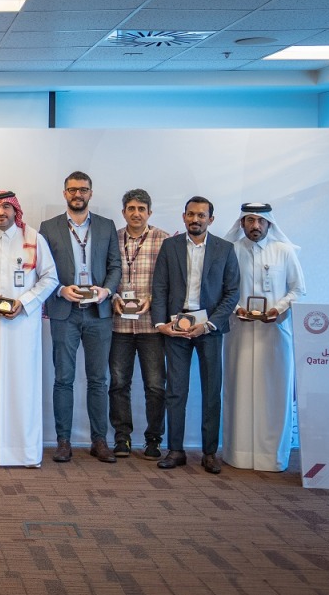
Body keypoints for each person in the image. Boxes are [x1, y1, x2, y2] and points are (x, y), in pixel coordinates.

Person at [0, 191, 59, 468]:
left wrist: (25, 302)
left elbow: (50, 278)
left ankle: (24, 453)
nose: (1, 212)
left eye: (6, 207)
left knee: (22, 387)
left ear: (16, 211)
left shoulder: (33, 239)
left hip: (23, 328)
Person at [151, 196, 240, 474]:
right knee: (176, 391)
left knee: (211, 391)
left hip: (209, 329)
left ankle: (210, 453)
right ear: (184, 217)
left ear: (210, 219)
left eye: (201, 215)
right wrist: (160, 323)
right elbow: (160, 287)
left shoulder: (225, 249)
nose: (195, 219)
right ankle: (175, 450)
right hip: (176, 327)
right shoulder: (170, 246)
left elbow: (232, 293)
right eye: (191, 214)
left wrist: (209, 324)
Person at [39, 171, 122, 463]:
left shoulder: (106, 226)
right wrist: (60, 290)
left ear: (91, 193)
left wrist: (106, 291)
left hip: (99, 313)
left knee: (98, 379)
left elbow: (115, 266)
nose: (78, 194)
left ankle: (99, 441)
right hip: (65, 312)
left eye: (83, 190)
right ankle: (63, 441)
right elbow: (42, 269)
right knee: (63, 379)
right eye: (73, 189)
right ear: (65, 193)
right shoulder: (48, 228)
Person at [222, 203, 305, 472]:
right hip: (240, 332)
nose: (255, 226)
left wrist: (277, 309)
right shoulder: (231, 250)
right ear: (242, 223)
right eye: (249, 220)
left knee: (274, 392)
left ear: (269, 224)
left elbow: (297, 289)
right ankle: (238, 454)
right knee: (239, 389)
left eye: (260, 221)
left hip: (275, 333)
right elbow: (223, 288)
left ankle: (272, 456)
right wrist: (237, 309)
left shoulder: (284, 251)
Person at [109, 189, 170, 460]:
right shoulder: (112, 239)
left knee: (155, 386)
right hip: (119, 325)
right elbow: (105, 274)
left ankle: (153, 440)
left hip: (151, 326)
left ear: (149, 213)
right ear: (123, 212)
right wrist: (113, 297)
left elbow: (170, 280)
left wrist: (153, 300)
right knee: (118, 383)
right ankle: (122, 438)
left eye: (141, 209)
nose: (136, 213)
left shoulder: (164, 240)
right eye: (131, 208)